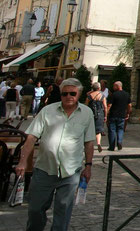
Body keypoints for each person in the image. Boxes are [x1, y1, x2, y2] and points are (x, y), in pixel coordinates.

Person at [16, 77, 94, 231]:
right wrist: (23, 161)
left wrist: (88, 166)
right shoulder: (47, 111)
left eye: (72, 93)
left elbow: (89, 142)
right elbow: (31, 137)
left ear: (79, 94)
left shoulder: (87, 113)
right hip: (45, 169)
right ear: (60, 94)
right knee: (35, 210)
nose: (68, 97)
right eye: (64, 94)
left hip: (70, 171)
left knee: (63, 212)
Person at [106, 80, 132, 151]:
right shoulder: (126, 94)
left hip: (113, 115)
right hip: (122, 115)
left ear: (117, 86)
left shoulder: (113, 95)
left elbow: (109, 105)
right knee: (121, 129)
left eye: (114, 85)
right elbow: (129, 105)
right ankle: (119, 141)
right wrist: (128, 113)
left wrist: (106, 114)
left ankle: (111, 146)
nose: (113, 87)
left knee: (112, 130)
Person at [85, 82, 107, 153]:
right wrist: (106, 115)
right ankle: (98, 143)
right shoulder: (102, 96)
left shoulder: (89, 95)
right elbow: (105, 107)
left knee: (90, 129)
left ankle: (89, 144)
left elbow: (86, 106)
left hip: (91, 114)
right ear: (99, 88)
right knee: (98, 131)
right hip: (100, 114)